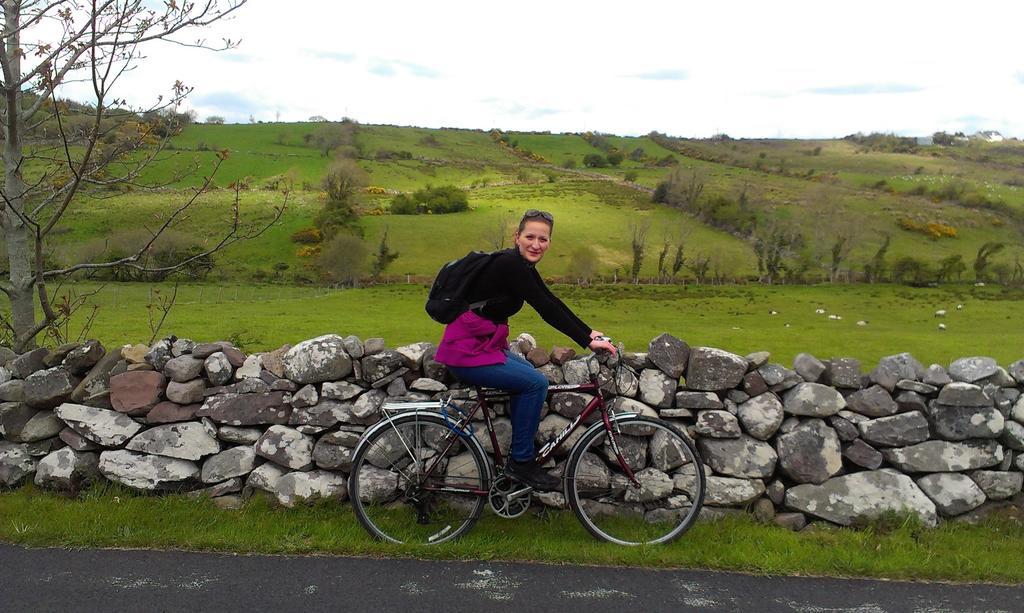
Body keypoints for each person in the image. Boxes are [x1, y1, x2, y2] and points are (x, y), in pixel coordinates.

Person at [434, 209, 617, 490]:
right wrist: (586, 340)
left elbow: (549, 298)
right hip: (467, 351)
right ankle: (520, 462)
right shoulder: (511, 265)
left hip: (483, 346)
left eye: (543, 239)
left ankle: (517, 460)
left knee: (528, 374)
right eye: (530, 237)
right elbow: (545, 308)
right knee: (535, 383)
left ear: (549, 243)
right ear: (516, 237)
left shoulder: (520, 266)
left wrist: (587, 332)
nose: (536, 244)